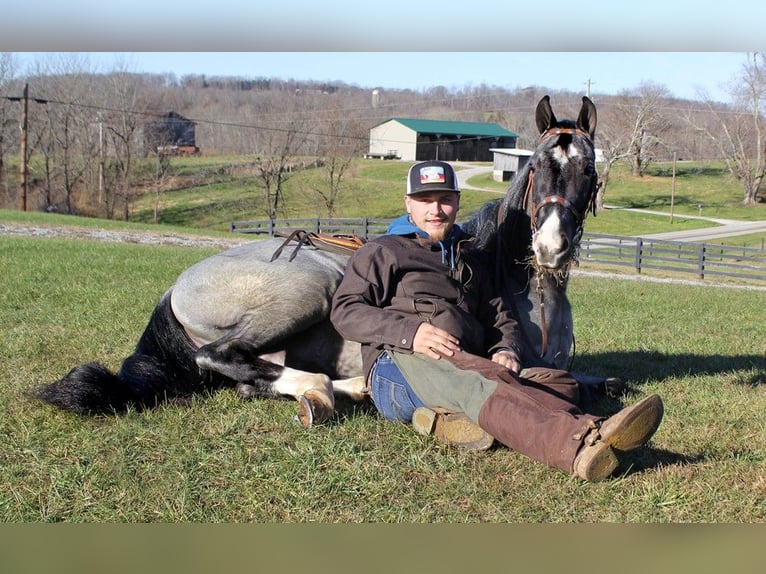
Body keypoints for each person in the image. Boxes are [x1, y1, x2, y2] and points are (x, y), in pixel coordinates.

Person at [330, 160, 664, 481]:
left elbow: (500, 315)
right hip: (399, 367)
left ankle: (451, 421)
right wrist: (411, 332)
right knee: (478, 385)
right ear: (409, 203)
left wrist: (506, 348)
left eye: (444, 199)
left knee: (552, 380)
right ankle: (581, 445)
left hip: (466, 361)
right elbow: (345, 310)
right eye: (425, 200)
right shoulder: (383, 251)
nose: (435, 209)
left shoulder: (470, 256)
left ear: (457, 202)